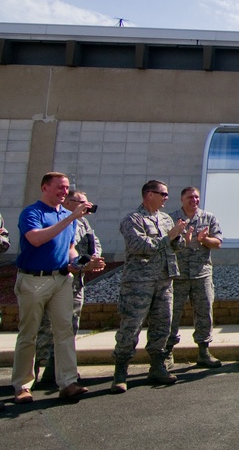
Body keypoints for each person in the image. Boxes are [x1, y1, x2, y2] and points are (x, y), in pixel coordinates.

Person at [12, 172, 101, 403]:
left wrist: (84, 263)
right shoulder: (32, 213)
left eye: (66, 188)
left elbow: (70, 250)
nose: (64, 192)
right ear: (44, 188)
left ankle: (68, 382)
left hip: (61, 280)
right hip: (33, 280)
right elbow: (36, 239)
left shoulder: (67, 216)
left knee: (65, 332)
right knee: (28, 334)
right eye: (59, 188)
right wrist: (70, 218)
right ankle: (22, 385)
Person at [113, 179, 186, 393]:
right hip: (139, 282)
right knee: (131, 327)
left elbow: (175, 245)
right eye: (163, 194)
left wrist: (178, 237)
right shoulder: (132, 220)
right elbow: (140, 246)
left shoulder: (165, 219)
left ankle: (157, 366)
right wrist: (169, 236)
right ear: (149, 194)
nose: (166, 198)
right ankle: (120, 371)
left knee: (162, 325)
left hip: (164, 280)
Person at [35, 189, 103, 385]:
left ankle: (56, 371)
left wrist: (92, 259)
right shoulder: (59, 221)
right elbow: (60, 249)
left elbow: (94, 243)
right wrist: (81, 262)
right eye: (81, 201)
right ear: (67, 202)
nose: (87, 205)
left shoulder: (84, 222)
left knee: (70, 327)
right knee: (46, 328)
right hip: (57, 279)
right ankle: (33, 371)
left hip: (76, 282)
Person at [167, 186, 224, 369]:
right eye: (190, 197)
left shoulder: (208, 218)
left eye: (197, 197)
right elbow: (164, 242)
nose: (194, 200)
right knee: (171, 314)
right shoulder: (171, 218)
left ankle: (203, 351)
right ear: (182, 199)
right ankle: (167, 353)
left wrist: (203, 240)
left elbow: (218, 243)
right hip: (178, 275)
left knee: (204, 312)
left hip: (202, 274)